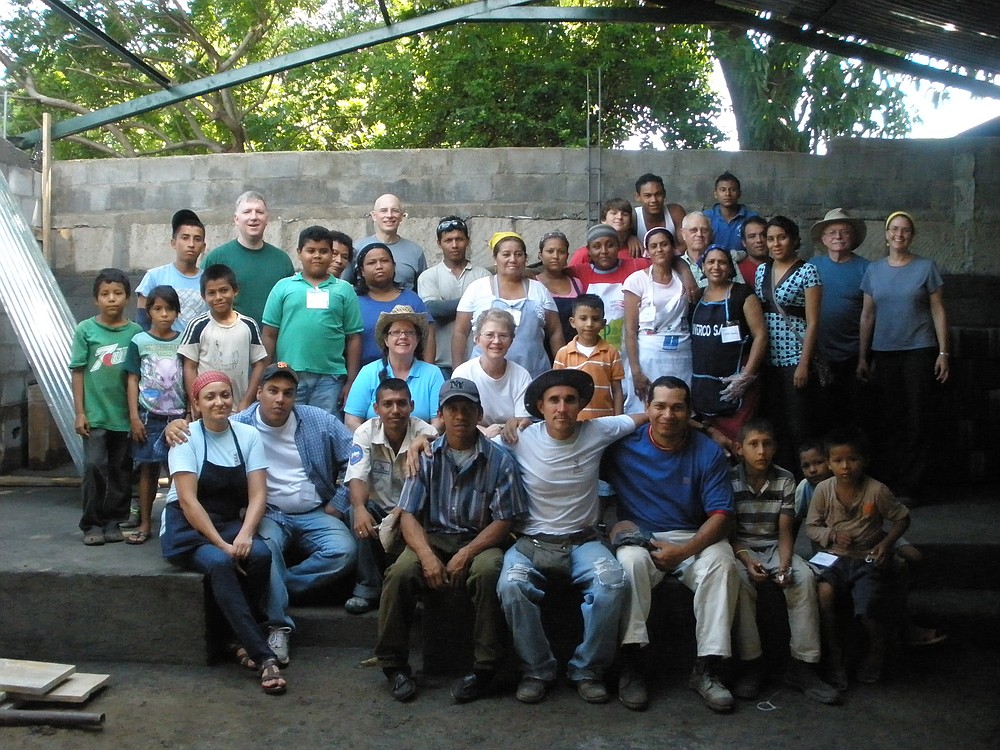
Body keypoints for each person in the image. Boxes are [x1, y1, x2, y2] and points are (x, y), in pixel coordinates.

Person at [496, 369, 647, 706]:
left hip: (584, 541)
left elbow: (643, 416)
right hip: (531, 542)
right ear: (540, 405)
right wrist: (424, 438)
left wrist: (702, 424)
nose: (562, 407)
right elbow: (471, 440)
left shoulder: (598, 430)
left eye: (569, 400)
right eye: (554, 400)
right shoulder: (519, 437)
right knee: (511, 585)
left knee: (613, 584)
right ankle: (537, 670)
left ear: (580, 405)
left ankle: (587, 671)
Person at [374, 379, 528, 703]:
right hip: (434, 537)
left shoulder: (500, 460)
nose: (460, 416)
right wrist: (429, 557)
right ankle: (394, 665)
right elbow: (409, 514)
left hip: (480, 539)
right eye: (452, 409)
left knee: (489, 572)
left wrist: (467, 553)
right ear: (441, 414)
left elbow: (504, 520)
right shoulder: (426, 455)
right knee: (400, 574)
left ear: (479, 413)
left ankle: (486, 668)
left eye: (467, 408)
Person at [602, 376, 739, 713]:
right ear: (647, 408)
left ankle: (707, 668)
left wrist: (685, 550)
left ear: (689, 411)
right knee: (629, 562)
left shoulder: (706, 451)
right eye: (659, 406)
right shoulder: (624, 445)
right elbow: (582, 471)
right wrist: (610, 525)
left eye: (677, 407)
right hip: (643, 537)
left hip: (695, 535)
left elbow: (722, 515)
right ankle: (632, 663)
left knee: (723, 561)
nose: (668, 414)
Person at [159, 370, 286, 695]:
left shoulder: (247, 436)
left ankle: (233, 638)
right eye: (210, 397)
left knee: (259, 554)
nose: (219, 402)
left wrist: (245, 535)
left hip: (229, 521)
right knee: (220, 563)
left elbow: (258, 494)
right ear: (197, 404)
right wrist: (222, 545)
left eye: (225, 395)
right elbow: (187, 502)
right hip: (187, 525)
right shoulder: (185, 437)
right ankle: (262, 654)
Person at [728, 419, 840, 704]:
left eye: (767, 444)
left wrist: (785, 564)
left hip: (777, 546)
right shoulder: (729, 479)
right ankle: (753, 663)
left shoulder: (785, 479)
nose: (761, 451)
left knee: (803, 578)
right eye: (753, 444)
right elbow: (727, 532)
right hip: (741, 548)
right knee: (740, 582)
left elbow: (785, 529)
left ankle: (804, 665)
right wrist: (746, 558)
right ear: (740, 449)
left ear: (775, 447)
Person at [805, 428, 910, 688]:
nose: (845, 466)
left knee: (867, 607)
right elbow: (811, 526)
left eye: (852, 459)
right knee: (824, 594)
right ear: (829, 464)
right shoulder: (823, 490)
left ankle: (877, 650)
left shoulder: (877, 490)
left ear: (864, 461)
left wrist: (886, 544)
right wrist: (831, 534)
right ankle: (835, 654)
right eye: (838, 461)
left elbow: (902, 519)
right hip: (833, 557)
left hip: (866, 557)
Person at [858, 211, 950, 502]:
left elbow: (938, 310)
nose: (899, 234)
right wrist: (863, 356)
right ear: (886, 234)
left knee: (917, 417)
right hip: (885, 353)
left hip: (918, 351)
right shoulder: (873, 270)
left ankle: (914, 486)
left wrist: (944, 352)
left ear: (912, 236)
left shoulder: (926, 267)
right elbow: (868, 314)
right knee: (889, 418)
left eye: (905, 230)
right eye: (894, 229)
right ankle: (890, 483)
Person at [343, 378, 439, 614]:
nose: (395, 410)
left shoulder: (425, 433)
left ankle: (419, 592)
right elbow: (357, 476)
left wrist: (425, 441)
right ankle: (367, 588)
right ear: (376, 409)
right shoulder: (366, 431)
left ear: (412, 406)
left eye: (401, 403)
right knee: (354, 511)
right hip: (380, 509)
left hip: (414, 512)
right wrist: (359, 509)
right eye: (388, 404)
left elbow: (427, 484)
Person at [70, 268, 143, 546]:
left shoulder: (135, 333)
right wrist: (79, 412)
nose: (111, 299)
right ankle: (92, 523)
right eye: (105, 294)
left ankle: (114, 521)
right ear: (95, 299)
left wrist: (137, 416)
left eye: (117, 293)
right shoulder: (86, 330)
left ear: (126, 298)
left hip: (124, 417)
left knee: (122, 469)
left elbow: (137, 376)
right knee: (94, 467)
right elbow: (78, 372)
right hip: (95, 416)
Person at [261, 226, 363, 415]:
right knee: (288, 427)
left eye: (323, 251)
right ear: (299, 253)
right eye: (311, 251)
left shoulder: (344, 290)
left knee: (324, 428)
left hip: (330, 378)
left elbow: (353, 337)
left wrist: (351, 381)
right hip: (289, 375)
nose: (317, 256)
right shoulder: (283, 287)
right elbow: (269, 334)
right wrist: (265, 374)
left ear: (332, 254)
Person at [755, 216, 822, 473]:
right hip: (769, 360)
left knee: (799, 425)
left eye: (781, 237)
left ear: (793, 240)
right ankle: (783, 481)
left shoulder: (808, 271)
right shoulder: (763, 270)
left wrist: (804, 364)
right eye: (770, 239)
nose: (775, 244)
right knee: (775, 423)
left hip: (795, 357)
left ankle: (807, 482)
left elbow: (814, 322)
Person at [453, 232, 564, 379]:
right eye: (506, 254)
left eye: (518, 254)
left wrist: (561, 372)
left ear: (525, 259)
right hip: (483, 376)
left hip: (534, 374)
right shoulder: (477, 288)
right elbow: (460, 332)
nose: (513, 259)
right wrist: (458, 373)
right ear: (495, 258)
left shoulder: (539, 290)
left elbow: (555, 332)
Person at [124, 285, 187, 544]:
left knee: (178, 471)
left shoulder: (184, 340)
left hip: (179, 416)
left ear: (177, 312)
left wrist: (192, 411)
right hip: (149, 417)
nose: (163, 314)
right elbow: (132, 380)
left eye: (169, 309)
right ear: (148, 311)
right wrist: (134, 417)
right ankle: (146, 522)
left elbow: (191, 372)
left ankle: (176, 524)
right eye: (158, 308)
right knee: (148, 470)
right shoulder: (139, 341)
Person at [689, 245, 768, 442]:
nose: (716, 267)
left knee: (739, 443)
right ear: (703, 268)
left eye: (722, 262)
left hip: (735, 386)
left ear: (730, 268)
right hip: (704, 387)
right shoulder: (697, 297)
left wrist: (746, 375)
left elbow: (761, 336)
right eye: (711, 262)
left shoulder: (743, 295)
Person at [808, 208, 871, 433]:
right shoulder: (812, 267)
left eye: (844, 232)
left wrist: (864, 357)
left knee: (854, 416)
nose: (838, 237)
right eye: (832, 232)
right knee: (822, 414)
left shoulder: (866, 269)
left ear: (853, 238)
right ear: (823, 239)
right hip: (819, 355)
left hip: (853, 354)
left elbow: (871, 313)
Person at [178, 264, 268, 414]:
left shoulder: (248, 325)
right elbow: (189, 367)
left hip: (239, 409)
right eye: (211, 293)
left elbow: (260, 364)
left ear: (235, 290)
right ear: (203, 296)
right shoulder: (197, 326)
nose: (218, 297)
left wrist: (247, 400)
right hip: (206, 410)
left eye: (224, 290)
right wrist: (196, 404)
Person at [344, 306, 445, 431]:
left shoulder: (432, 374)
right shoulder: (368, 372)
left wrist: (419, 441)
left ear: (417, 339)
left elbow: (439, 422)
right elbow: (351, 420)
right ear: (386, 339)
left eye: (409, 332)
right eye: (396, 332)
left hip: (421, 447)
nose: (403, 336)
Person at [202, 191, 293, 325]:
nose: (254, 217)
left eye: (259, 212)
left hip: (272, 341)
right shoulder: (217, 258)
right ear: (236, 219)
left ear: (267, 219)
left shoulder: (282, 260)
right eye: (247, 212)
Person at [622, 228, 691, 407]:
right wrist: (636, 370)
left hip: (681, 353)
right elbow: (630, 330)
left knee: (678, 404)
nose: (659, 249)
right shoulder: (636, 280)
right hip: (648, 355)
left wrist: (686, 270)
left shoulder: (685, 278)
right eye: (654, 246)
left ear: (673, 247)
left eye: (664, 244)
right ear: (647, 251)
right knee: (647, 404)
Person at [417, 216, 491, 377]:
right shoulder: (428, 276)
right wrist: (472, 301)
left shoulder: (482, 275)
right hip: (440, 363)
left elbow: (488, 314)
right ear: (439, 243)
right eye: (448, 240)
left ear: (468, 241)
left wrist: (449, 305)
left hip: (478, 361)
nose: (454, 245)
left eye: (459, 239)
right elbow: (433, 310)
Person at [353, 243, 436, 367]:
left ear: (394, 266)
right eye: (372, 263)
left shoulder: (411, 299)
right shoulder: (354, 301)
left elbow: (428, 337)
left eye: (384, 261)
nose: (379, 266)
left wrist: (427, 372)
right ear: (361, 271)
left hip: (407, 373)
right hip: (364, 375)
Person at [451, 310, 532, 437]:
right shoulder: (463, 373)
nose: (496, 341)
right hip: (470, 437)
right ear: (477, 339)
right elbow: (456, 417)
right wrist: (484, 433)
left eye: (503, 335)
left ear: (511, 341)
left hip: (511, 439)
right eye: (489, 335)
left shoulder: (522, 375)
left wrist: (499, 430)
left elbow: (522, 421)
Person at [135, 209, 208, 333]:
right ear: (173, 243)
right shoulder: (154, 276)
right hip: (162, 349)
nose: (191, 244)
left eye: (197, 239)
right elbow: (142, 322)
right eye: (185, 238)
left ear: (203, 246)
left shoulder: (209, 280)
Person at [554, 295, 624, 418]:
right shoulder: (563, 353)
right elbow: (558, 389)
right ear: (573, 322)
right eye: (583, 318)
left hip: (605, 420)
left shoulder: (612, 353)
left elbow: (617, 390)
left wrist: (619, 420)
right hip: (573, 420)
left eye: (595, 319)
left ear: (603, 323)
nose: (589, 324)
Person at [342, 194, 427, 290]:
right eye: (383, 211)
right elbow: (345, 286)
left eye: (395, 210)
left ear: (401, 216)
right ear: (374, 216)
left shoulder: (415, 251)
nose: (389, 215)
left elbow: (422, 291)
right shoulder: (357, 248)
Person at [534, 230, 583, 344]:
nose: (555, 256)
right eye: (550, 251)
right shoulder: (533, 283)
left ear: (567, 256)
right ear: (540, 255)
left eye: (561, 252)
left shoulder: (576, 284)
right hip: (542, 350)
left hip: (573, 348)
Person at [679, 211, 746, 287]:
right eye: (693, 230)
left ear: (711, 234)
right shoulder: (676, 265)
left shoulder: (726, 259)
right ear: (683, 234)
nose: (699, 234)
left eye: (704, 230)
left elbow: (742, 292)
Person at [703, 171, 759, 255]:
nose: (727, 194)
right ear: (715, 194)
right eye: (723, 190)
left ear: (739, 194)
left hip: (744, 265)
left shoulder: (752, 218)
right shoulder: (706, 217)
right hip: (714, 265)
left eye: (732, 190)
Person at [630, 173, 687, 253]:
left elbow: (687, 243)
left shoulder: (675, 212)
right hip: (642, 264)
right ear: (638, 197)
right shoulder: (634, 216)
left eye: (658, 194)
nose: (654, 200)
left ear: (664, 194)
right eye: (647, 196)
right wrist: (629, 237)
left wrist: (666, 256)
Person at [569, 198, 635, 265]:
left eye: (625, 214)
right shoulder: (584, 254)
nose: (619, 217)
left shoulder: (635, 250)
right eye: (614, 213)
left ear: (630, 221)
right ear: (603, 219)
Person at [736, 216, 769, 286]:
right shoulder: (738, 272)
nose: (759, 240)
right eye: (752, 236)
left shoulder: (779, 266)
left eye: (763, 235)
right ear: (744, 242)